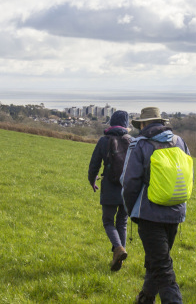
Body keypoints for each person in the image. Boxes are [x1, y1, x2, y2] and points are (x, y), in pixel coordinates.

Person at [122, 107, 190, 304]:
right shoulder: (179, 142)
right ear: (160, 123)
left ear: (143, 124)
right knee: (157, 260)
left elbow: (129, 182)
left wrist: (131, 210)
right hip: (176, 211)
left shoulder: (139, 144)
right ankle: (145, 298)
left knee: (161, 266)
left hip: (149, 214)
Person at [88, 110, 132, 271]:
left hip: (109, 186)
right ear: (126, 125)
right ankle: (119, 258)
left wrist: (92, 181)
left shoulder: (103, 140)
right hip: (127, 188)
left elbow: (94, 164)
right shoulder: (132, 141)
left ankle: (118, 249)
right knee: (122, 222)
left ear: (111, 123)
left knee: (108, 221)